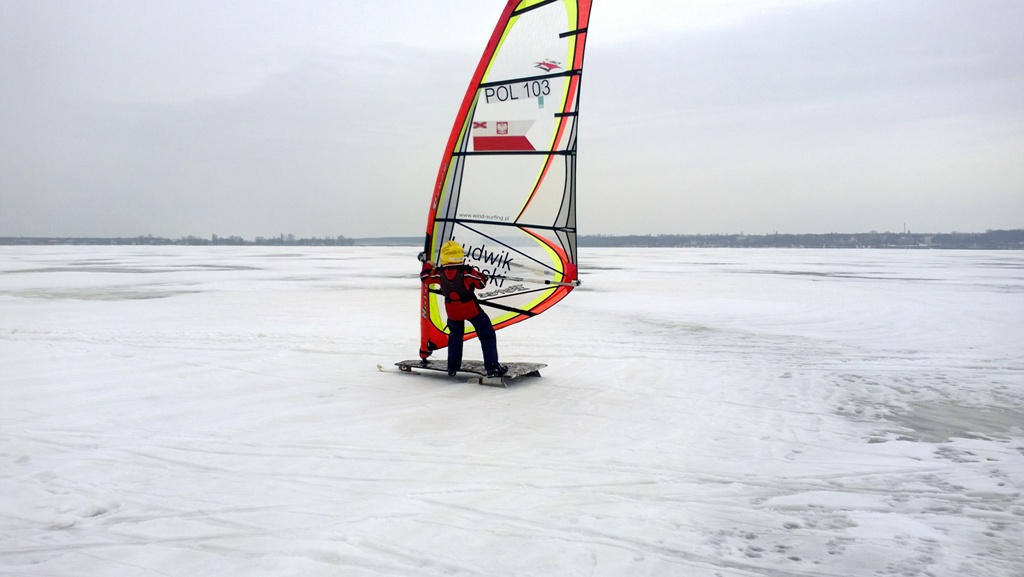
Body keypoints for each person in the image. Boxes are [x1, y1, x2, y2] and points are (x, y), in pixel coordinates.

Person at [420, 241, 507, 378]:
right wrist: (483, 276)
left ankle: (452, 368)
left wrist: (428, 265)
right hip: (470, 309)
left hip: (453, 311)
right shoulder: (467, 271)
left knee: (455, 337)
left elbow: (425, 277)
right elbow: (481, 284)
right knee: (487, 334)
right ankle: (492, 368)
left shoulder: (439, 273)